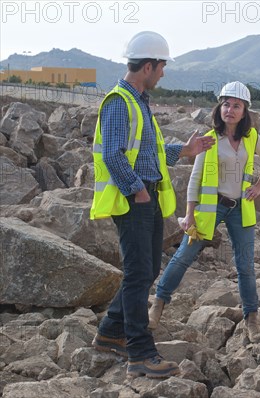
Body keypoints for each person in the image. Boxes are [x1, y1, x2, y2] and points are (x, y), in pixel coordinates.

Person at [89, 31, 215, 378]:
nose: (163, 73)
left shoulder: (139, 101)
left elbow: (150, 155)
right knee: (137, 273)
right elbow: (114, 153)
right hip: (134, 198)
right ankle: (140, 354)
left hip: (147, 195)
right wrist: (136, 190)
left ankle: (111, 332)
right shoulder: (119, 102)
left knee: (147, 271)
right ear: (147, 66)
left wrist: (185, 151)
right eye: (161, 67)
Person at [147, 81, 260, 342]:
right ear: (220, 108)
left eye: (236, 105)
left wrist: (259, 186)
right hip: (211, 207)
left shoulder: (251, 137)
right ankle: (158, 304)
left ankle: (251, 318)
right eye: (226, 104)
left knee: (245, 266)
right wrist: (189, 214)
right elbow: (195, 178)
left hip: (241, 207)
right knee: (184, 255)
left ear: (245, 111)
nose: (230, 109)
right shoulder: (209, 138)